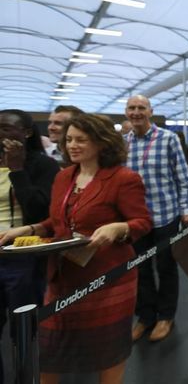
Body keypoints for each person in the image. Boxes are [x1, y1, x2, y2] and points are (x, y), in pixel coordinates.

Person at [0, 114, 152, 383]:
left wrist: (118, 228)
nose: (72, 145)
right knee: (50, 349)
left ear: (102, 142)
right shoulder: (64, 177)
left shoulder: (123, 178)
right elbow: (57, 221)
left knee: (108, 350)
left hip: (107, 280)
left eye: (81, 140)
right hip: (63, 276)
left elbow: (142, 222)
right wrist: (29, 229)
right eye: (69, 139)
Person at [125, 95, 188, 343]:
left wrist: (186, 209)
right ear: (126, 112)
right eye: (132, 108)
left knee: (166, 268)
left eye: (141, 108)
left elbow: (183, 178)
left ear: (150, 111)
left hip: (165, 216)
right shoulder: (124, 144)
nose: (136, 112)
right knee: (139, 271)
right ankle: (145, 317)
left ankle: (166, 316)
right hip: (135, 220)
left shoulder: (168, 139)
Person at [0, 109, 59, 384]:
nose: (0, 133)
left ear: (26, 133)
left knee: (24, 328)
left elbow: (40, 212)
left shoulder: (42, 166)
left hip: (23, 254)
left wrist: (17, 169)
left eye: (6, 128)